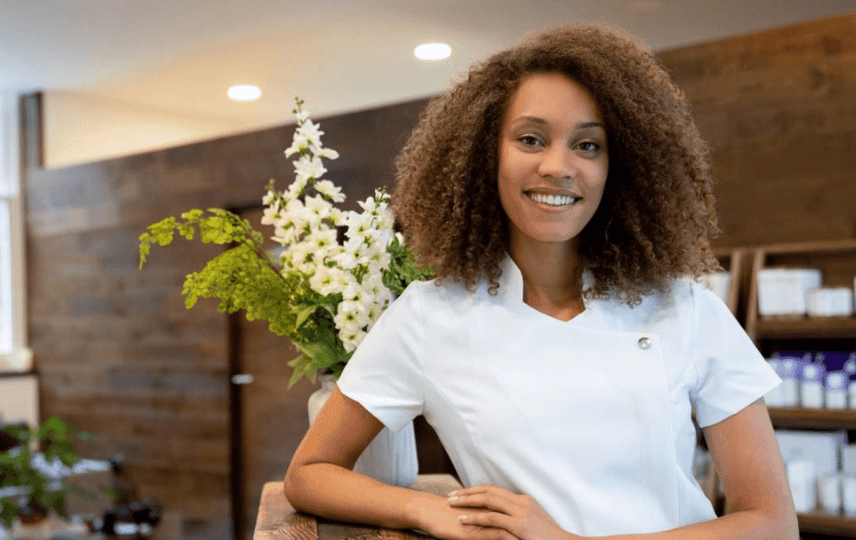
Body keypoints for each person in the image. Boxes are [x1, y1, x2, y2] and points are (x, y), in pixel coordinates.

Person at [284, 22, 798, 540]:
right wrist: (428, 510)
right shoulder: (431, 315)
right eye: (530, 139)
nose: (558, 166)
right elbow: (310, 474)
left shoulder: (687, 308)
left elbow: (773, 523)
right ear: (487, 155)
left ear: (622, 166)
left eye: (588, 145)